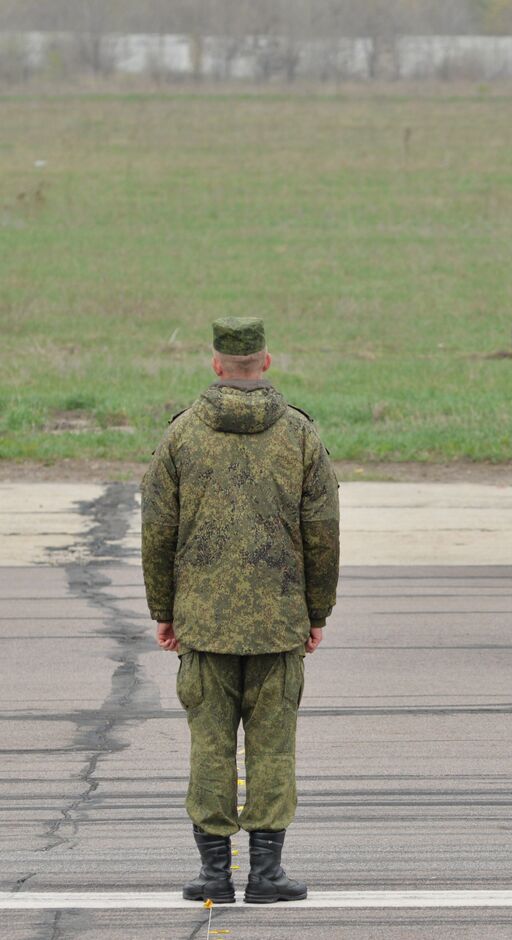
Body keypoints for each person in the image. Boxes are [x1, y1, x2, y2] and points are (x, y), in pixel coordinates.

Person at [142, 317, 340, 905]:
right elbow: (322, 532)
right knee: (273, 747)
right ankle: (266, 875)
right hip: (278, 624)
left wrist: (164, 609)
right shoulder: (301, 435)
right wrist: (317, 611)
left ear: (216, 365)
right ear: (267, 362)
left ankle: (212, 875)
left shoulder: (181, 436)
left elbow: (158, 530)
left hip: (202, 623)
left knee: (210, 745)